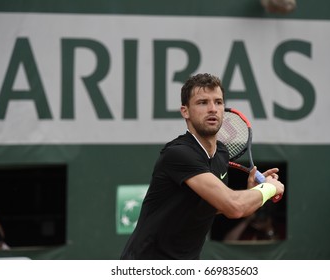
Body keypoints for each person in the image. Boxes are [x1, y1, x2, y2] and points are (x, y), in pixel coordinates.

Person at [120, 73, 284, 260]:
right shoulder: (179, 154)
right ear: (185, 111)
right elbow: (234, 206)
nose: (212, 109)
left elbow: (217, 206)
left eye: (218, 102)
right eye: (202, 102)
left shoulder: (221, 154)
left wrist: (251, 193)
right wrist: (270, 188)